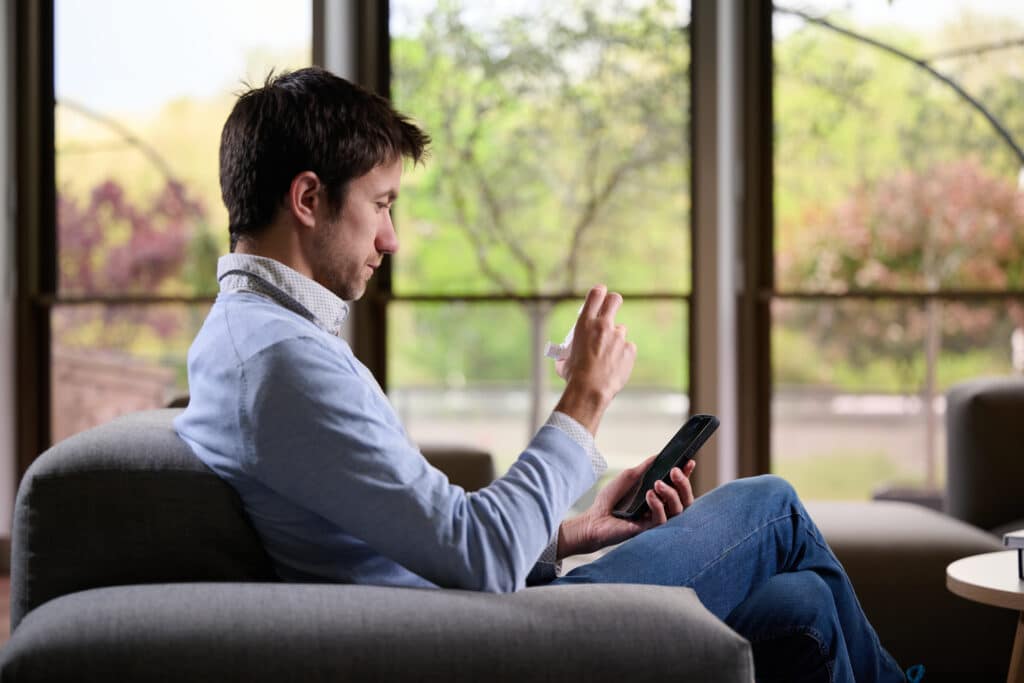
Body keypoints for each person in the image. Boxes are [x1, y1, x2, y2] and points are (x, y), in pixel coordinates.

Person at [174, 67, 910, 682]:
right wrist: (586, 397)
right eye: (382, 204)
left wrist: (578, 530)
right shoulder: (279, 360)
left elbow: (432, 532)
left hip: (465, 613)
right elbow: (478, 553)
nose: (391, 238)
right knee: (771, 506)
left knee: (804, 605)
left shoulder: (253, 339)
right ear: (307, 199)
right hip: (484, 641)